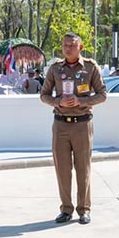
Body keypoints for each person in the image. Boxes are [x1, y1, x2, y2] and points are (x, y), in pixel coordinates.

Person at [40, 33, 107, 225]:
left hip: (82, 124)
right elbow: (44, 95)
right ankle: (66, 209)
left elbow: (102, 94)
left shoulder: (90, 67)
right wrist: (57, 101)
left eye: (72, 45)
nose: (68, 48)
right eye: (65, 45)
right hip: (60, 123)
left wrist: (82, 101)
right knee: (62, 169)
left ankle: (84, 209)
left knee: (83, 168)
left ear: (80, 47)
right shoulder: (55, 69)